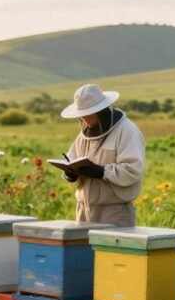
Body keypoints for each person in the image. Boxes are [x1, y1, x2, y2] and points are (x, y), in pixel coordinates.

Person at [60, 84, 145, 226]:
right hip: (83, 209)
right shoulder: (84, 134)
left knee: (111, 249)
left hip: (114, 211)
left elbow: (133, 170)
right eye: (81, 114)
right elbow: (72, 158)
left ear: (101, 111)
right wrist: (70, 174)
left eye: (88, 114)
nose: (84, 119)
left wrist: (102, 172)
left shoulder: (127, 131)